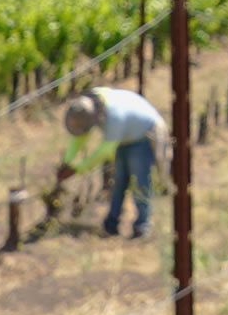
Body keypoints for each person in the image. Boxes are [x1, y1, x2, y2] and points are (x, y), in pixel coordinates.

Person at [62, 85, 167, 239]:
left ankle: (142, 226)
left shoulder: (114, 114)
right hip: (125, 138)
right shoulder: (91, 106)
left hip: (143, 136)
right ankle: (111, 224)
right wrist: (67, 162)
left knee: (140, 182)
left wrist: (77, 169)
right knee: (118, 183)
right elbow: (80, 137)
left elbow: (106, 150)